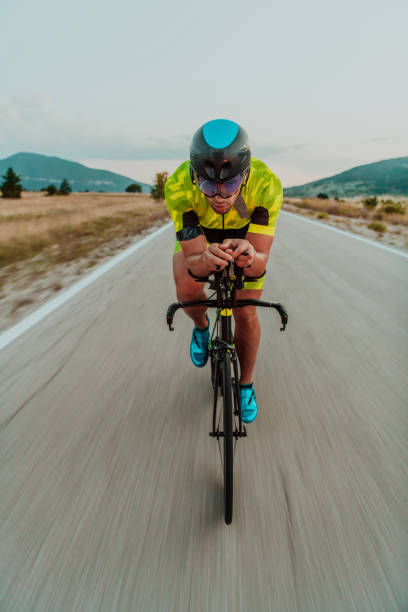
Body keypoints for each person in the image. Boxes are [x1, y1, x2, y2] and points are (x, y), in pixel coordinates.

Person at [165, 119, 283, 423]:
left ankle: (246, 385)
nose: (219, 196)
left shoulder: (266, 184)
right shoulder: (178, 185)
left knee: (245, 311)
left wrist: (248, 256)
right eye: (207, 186)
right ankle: (202, 327)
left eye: (230, 185)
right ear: (195, 175)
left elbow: (260, 260)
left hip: (246, 234)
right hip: (200, 235)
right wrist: (203, 260)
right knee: (188, 291)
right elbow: (193, 260)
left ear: (244, 176)